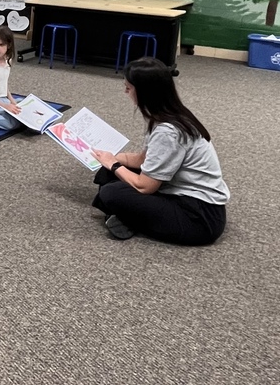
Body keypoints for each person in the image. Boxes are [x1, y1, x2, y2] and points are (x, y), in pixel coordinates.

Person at [90, 56, 230, 245]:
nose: (125, 92)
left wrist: (114, 164)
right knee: (106, 174)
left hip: (199, 218)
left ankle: (127, 219)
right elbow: (143, 159)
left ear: (145, 92)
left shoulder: (168, 131)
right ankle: (125, 217)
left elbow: (145, 186)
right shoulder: (166, 113)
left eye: (129, 88)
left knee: (111, 192)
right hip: (178, 193)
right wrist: (113, 158)